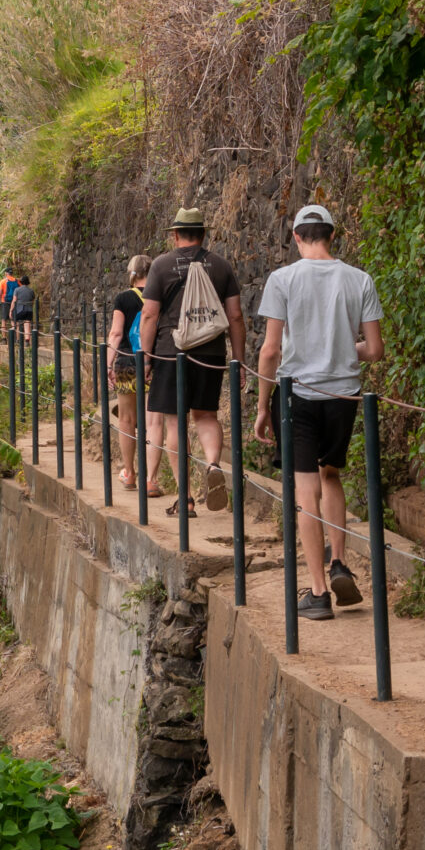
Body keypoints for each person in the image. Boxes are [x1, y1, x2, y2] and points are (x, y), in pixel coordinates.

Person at [253, 204, 385, 622]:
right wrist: (344, 351)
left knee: (304, 489)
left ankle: (317, 592)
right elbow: (376, 350)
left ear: (296, 237)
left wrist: (261, 406)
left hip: (299, 396)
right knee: (331, 474)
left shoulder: (283, 279)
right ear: (332, 235)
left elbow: (271, 350)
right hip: (344, 395)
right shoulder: (359, 279)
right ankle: (340, 561)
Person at [140, 209, 246, 519]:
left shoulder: (160, 266)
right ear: (203, 234)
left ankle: (185, 498)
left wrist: (146, 358)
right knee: (206, 415)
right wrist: (238, 359)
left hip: (170, 353)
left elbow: (149, 315)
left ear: (175, 235)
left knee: (174, 422)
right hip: (210, 353)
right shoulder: (221, 266)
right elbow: (236, 316)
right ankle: (213, 463)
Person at [103, 255, 154, 492]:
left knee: (126, 420)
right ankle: (151, 478)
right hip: (154, 362)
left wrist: (108, 364)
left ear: (132, 274)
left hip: (126, 362)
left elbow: (116, 333)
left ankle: (130, 473)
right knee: (152, 422)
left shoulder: (123, 298)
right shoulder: (159, 296)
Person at [10, 273, 37, 350]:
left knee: (17, 324)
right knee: (27, 323)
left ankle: (18, 340)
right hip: (29, 310)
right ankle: (27, 340)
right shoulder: (31, 291)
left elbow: (14, 300)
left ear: (21, 282)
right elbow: (32, 300)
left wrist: (11, 310)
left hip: (20, 310)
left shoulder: (17, 290)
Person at [0, 267, 19, 334]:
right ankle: (17, 338)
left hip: (5, 302)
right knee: (14, 320)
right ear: (12, 273)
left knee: (4, 320)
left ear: (6, 273)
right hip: (15, 302)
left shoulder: (3, 281)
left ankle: (4, 338)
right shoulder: (17, 281)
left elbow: (0, 292)